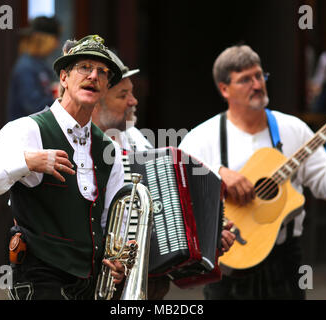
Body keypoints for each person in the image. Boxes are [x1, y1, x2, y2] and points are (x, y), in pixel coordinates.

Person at [178, 44, 326, 299]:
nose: (257, 84)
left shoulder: (294, 129)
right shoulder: (201, 138)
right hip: (227, 264)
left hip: (285, 264)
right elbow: (176, 195)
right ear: (224, 89)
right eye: (245, 79)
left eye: (259, 76)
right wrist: (217, 173)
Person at [0, 35, 127, 300]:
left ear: (105, 87)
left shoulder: (108, 149)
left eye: (102, 72)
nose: (93, 75)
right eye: (84, 67)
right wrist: (26, 162)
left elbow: (110, 222)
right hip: (40, 279)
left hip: (90, 283)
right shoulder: (28, 129)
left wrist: (117, 260)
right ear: (64, 78)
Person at [91, 50, 236, 299]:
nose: (133, 101)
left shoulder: (135, 137)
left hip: (151, 279)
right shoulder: (83, 144)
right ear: (95, 101)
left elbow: (171, 199)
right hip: (101, 278)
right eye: (123, 95)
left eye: (132, 93)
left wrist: (209, 234)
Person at [7, 16, 61, 121]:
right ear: (46, 40)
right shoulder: (26, 67)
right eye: (56, 39)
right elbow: (33, 106)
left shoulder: (39, 63)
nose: (57, 45)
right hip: (25, 132)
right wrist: (63, 101)